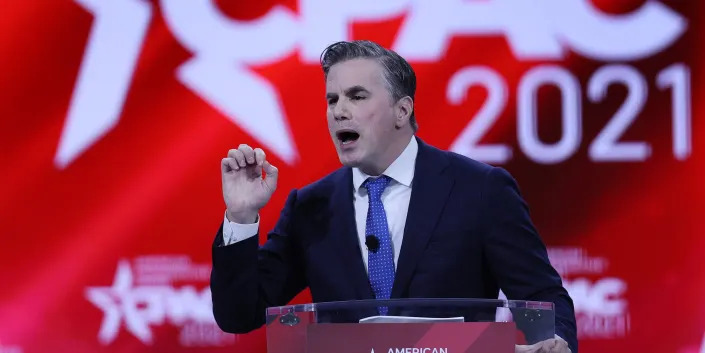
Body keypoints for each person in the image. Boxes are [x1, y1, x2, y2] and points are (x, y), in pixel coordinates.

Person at [211, 40, 577, 353]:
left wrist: (554, 341)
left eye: (356, 96)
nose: (339, 111)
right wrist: (241, 216)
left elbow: (543, 297)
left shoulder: (479, 189)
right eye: (332, 99)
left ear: (402, 110)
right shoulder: (311, 207)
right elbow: (238, 315)